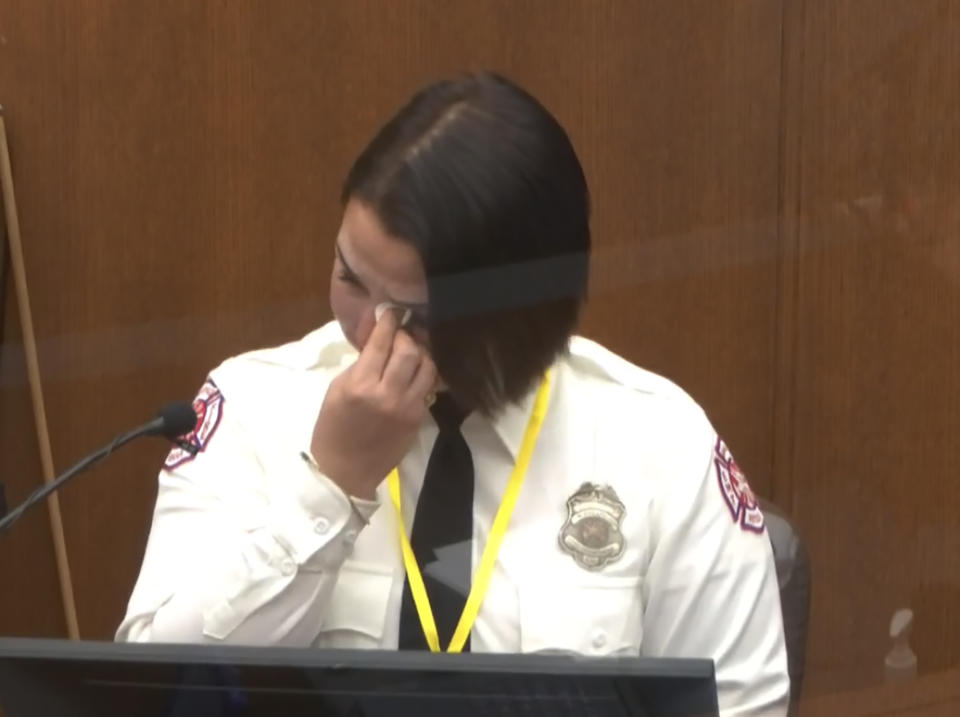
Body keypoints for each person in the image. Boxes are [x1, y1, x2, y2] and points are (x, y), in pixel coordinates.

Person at [117, 71, 790, 716]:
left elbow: (739, 705)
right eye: (351, 278)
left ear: (525, 312)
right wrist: (330, 486)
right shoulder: (253, 407)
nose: (367, 332)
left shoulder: (659, 445)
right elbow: (155, 690)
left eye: (413, 315)